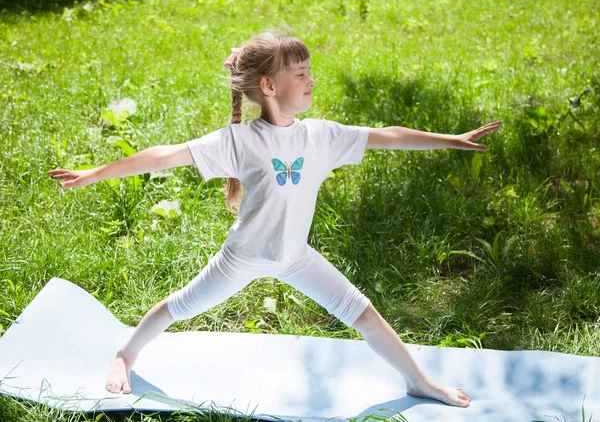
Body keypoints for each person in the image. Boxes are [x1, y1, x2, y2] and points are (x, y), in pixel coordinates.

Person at [47, 29, 501, 408]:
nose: (311, 81)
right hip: (242, 258)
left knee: (363, 313)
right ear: (268, 86)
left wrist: (451, 139)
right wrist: (95, 174)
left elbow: (388, 137)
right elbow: (164, 156)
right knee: (178, 307)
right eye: (301, 74)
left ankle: (418, 380)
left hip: (294, 257)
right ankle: (124, 355)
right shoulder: (240, 141)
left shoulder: (321, 137)